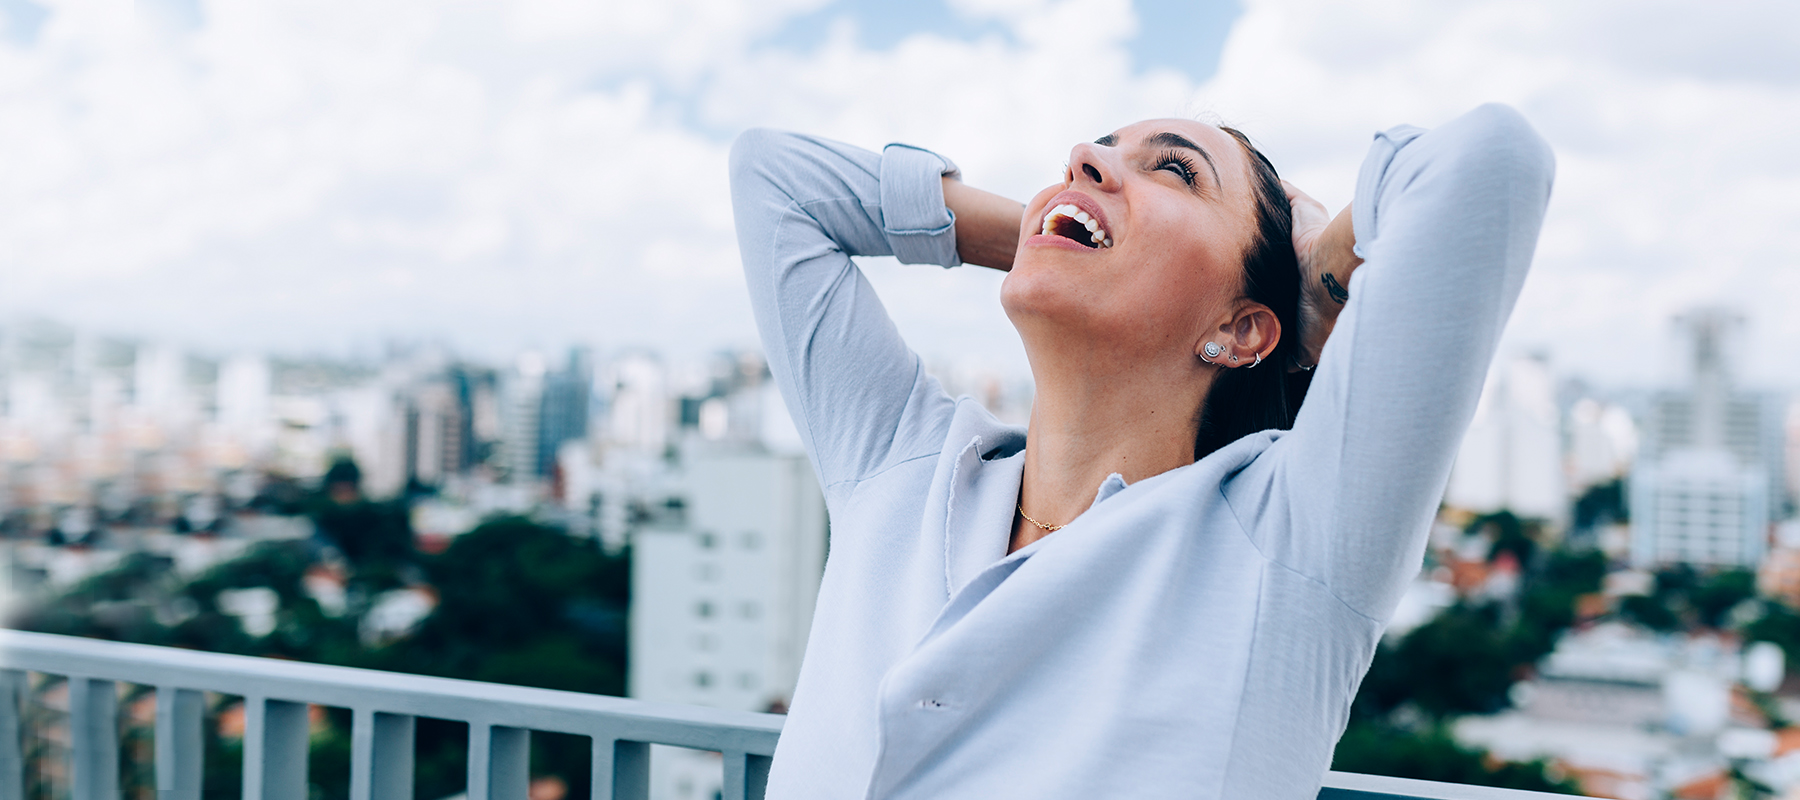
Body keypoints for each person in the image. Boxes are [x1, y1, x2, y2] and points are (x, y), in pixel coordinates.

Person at [728, 103, 1554, 798]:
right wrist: (1046, 229)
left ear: (1241, 329)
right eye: (1095, 151)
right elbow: (773, 177)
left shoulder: (1290, 547)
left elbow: (1492, 161)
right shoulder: (903, 467)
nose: (1084, 157)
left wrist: (1313, 280)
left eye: (1177, 170)